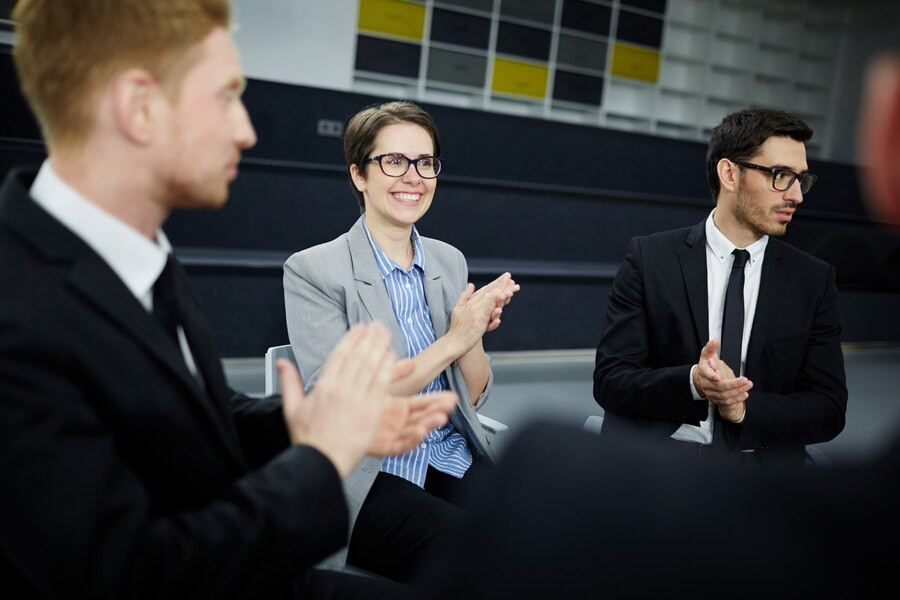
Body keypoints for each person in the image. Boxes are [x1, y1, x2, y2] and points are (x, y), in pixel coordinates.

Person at [0, 1, 456, 598]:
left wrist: (295, 421)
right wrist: (321, 458)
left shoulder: (141, 255)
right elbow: (133, 573)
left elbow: (182, 410)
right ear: (139, 108)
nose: (245, 129)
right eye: (225, 97)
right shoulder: (18, 316)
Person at [283, 101, 519, 582]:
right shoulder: (315, 271)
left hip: (449, 452)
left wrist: (471, 333)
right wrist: (455, 339)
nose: (413, 176)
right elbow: (341, 405)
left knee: (537, 534)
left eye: (425, 162)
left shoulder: (447, 260)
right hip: (370, 472)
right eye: (393, 161)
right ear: (359, 175)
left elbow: (470, 396)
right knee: (472, 559)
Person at [594, 107, 848, 466]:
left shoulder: (813, 280)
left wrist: (743, 408)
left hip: (759, 478)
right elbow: (611, 382)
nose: (797, 196)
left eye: (801, 179)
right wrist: (693, 384)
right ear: (729, 173)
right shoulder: (650, 258)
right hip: (655, 469)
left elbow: (829, 409)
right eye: (780, 176)